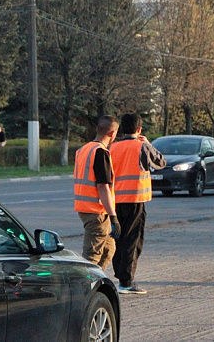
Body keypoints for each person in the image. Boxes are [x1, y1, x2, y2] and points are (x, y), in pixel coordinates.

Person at [110, 113, 166, 294]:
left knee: (118, 239)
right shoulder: (142, 146)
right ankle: (126, 282)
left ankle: (119, 275)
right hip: (135, 200)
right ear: (139, 129)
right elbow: (161, 162)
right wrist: (148, 143)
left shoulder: (113, 147)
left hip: (115, 200)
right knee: (132, 241)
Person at [73, 115, 122, 269]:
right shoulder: (100, 153)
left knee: (108, 249)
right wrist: (113, 216)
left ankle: (96, 282)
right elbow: (103, 187)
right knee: (91, 257)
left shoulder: (83, 150)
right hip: (96, 213)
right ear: (112, 133)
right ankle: (85, 288)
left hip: (85, 209)